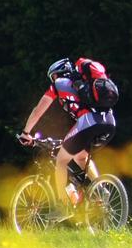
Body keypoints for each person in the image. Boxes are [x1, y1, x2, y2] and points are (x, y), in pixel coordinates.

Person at [18, 57, 116, 220]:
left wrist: (26, 133)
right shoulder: (84, 86)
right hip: (109, 123)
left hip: (88, 122)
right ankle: (100, 189)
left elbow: (38, 111)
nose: (54, 80)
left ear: (58, 73)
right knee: (80, 156)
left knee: (61, 160)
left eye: (53, 76)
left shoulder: (58, 85)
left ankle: (62, 206)